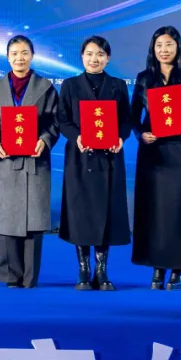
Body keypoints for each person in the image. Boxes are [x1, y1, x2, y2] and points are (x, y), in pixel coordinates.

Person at [131, 26, 181, 290]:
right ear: (153, 49)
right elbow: (133, 117)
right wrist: (141, 134)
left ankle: (179, 268)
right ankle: (157, 266)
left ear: (178, 47)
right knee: (156, 210)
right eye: (159, 46)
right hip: (153, 151)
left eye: (169, 45)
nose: (164, 50)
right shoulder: (144, 78)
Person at [0, 35, 59, 289]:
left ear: (32, 56)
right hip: (6, 160)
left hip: (35, 161)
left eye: (24, 53)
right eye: (14, 53)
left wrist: (44, 140)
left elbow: (54, 121)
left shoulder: (45, 87)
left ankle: (29, 277)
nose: (19, 58)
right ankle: (9, 276)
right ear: (7, 57)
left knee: (33, 220)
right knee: (6, 220)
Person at [57, 36, 131, 291]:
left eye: (100, 54)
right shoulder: (70, 85)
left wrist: (120, 137)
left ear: (108, 58)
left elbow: (126, 119)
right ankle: (83, 269)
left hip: (108, 158)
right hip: (80, 157)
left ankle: (102, 270)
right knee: (81, 213)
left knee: (105, 212)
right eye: (89, 54)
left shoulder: (118, 85)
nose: (94, 59)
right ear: (82, 57)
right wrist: (76, 137)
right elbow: (63, 119)